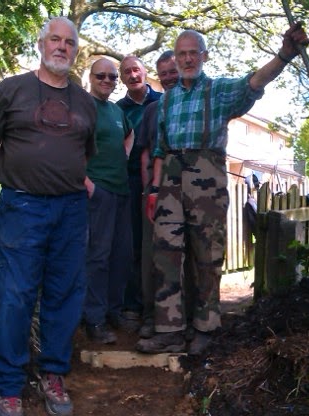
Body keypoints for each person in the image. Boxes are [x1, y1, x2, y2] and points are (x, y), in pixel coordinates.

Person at [137, 23, 309, 356]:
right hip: (170, 180)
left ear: (204, 56)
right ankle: (170, 331)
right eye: (182, 54)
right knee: (165, 254)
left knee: (207, 253)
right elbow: (159, 148)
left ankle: (205, 328)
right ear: (176, 58)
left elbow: (254, 82)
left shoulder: (218, 91)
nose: (187, 59)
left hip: (207, 181)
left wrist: (284, 56)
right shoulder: (167, 100)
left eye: (193, 53)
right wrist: (155, 189)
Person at [0, 17, 96, 416]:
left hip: (71, 211)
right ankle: (8, 385)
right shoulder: (12, 89)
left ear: (75, 50)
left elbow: (83, 154)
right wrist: (15, 180)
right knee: (15, 296)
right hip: (23, 208)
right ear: (41, 45)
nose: (62, 47)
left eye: (69, 42)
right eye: (54, 40)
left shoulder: (85, 103)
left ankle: (53, 374)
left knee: (64, 295)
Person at [83, 58, 134, 344]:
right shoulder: (83, 106)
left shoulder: (116, 111)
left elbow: (130, 133)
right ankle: (95, 319)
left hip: (121, 191)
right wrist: (87, 184)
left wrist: (125, 153)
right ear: (91, 77)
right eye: (100, 75)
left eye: (112, 77)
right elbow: (70, 145)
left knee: (121, 255)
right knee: (98, 257)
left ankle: (114, 311)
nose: (107, 80)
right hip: (98, 191)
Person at [134, 50, 180, 339]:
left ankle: (183, 319)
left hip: (190, 192)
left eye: (173, 71)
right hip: (156, 192)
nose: (168, 78)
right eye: (163, 74)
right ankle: (150, 316)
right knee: (152, 255)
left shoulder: (197, 104)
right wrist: (148, 188)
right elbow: (144, 154)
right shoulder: (152, 110)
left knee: (184, 258)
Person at [115, 55, 163, 329]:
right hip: (131, 182)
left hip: (162, 180)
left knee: (162, 243)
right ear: (122, 78)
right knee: (133, 243)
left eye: (136, 70)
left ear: (145, 72)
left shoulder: (162, 102)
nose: (132, 75)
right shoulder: (118, 109)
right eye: (127, 72)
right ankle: (134, 304)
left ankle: (162, 305)